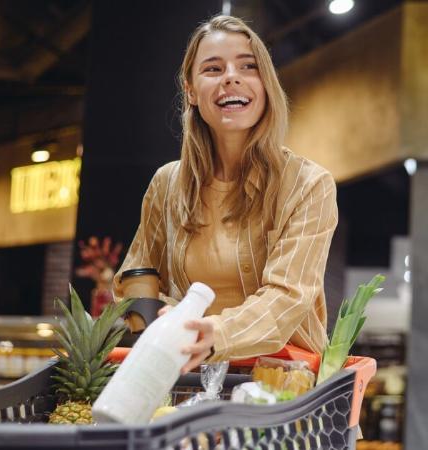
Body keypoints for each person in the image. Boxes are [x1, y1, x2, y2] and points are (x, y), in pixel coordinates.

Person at [113, 15, 338, 375]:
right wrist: (159, 317)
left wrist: (211, 332)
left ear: (265, 84)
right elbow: (136, 281)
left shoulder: (308, 185)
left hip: (285, 389)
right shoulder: (167, 184)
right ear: (190, 90)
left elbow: (287, 299)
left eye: (248, 66)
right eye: (213, 68)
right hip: (191, 380)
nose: (232, 76)